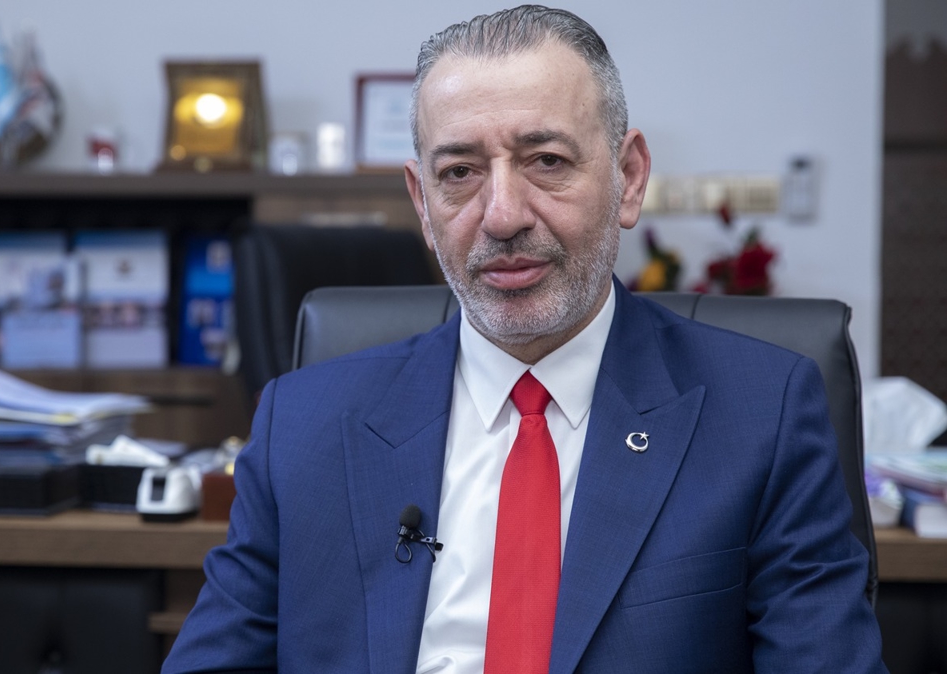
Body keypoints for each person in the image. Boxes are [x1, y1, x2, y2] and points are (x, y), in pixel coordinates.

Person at [163, 6, 886, 673]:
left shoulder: (762, 417)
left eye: (547, 162)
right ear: (422, 204)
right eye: (460, 173)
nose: (502, 215)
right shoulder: (301, 427)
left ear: (629, 177)